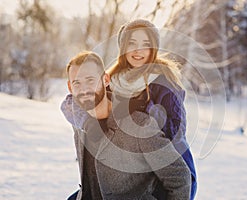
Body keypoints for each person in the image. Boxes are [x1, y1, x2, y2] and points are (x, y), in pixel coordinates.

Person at [61, 51, 191, 199]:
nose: (84, 90)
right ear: (70, 87)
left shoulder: (138, 125)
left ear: (105, 80)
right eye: (77, 83)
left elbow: (179, 178)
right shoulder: (80, 122)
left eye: (91, 80)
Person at [107, 19, 197, 199]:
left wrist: (150, 116)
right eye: (131, 43)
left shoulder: (162, 82)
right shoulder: (112, 81)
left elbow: (175, 132)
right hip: (128, 174)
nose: (137, 50)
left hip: (165, 173)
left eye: (145, 45)